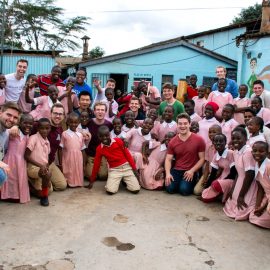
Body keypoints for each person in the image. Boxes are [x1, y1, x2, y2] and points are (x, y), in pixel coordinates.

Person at [88, 126, 140, 195]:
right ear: (98, 136)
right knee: (110, 191)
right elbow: (96, 164)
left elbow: (128, 155)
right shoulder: (99, 149)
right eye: (101, 136)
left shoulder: (118, 141)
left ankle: (124, 180)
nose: (104, 138)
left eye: (106, 135)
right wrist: (92, 180)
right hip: (114, 170)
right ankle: (119, 180)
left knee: (135, 190)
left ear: (109, 134)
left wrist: (134, 169)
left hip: (126, 167)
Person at [165, 113, 205, 196]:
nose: (182, 126)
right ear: (177, 125)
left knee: (184, 190)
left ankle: (191, 181)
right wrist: (168, 174)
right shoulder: (173, 141)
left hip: (190, 171)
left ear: (189, 124)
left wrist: (192, 171)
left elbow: (202, 159)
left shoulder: (199, 140)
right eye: (180, 124)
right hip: (177, 170)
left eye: (185, 123)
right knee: (169, 188)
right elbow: (168, 159)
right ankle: (180, 183)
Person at [223, 127, 257, 220]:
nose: (235, 141)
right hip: (240, 180)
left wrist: (241, 196)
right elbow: (238, 173)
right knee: (231, 201)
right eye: (233, 138)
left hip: (248, 183)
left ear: (246, 138)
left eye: (238, 138)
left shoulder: (248, 152)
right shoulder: (235, 151)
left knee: (241, 208)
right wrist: (233, 188)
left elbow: (250, 175)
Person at [1, 114, 34, 203]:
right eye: (25, 123)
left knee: (19, 179)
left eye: (30, 124)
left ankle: (18, 196)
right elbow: (6, 131)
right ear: (19, 123)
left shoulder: (27, 135)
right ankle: (8, 195)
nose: (28, 125)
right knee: (10, 179)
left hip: (21, 161)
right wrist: (14, 126)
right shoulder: (14, 132)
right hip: (10, 160)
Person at [25, 118, 52, 206]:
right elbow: (26, 156)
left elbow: (45, 157)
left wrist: (45, 166)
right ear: (38, 128)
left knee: (50, 190)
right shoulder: (33, 138)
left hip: (42, 168)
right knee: (47, 175)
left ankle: (32, 188)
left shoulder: (47, 140)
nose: (44, 130)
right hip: (32, 167)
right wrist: (41, 166)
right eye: (42, 128)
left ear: (50, 128)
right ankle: (44, 198)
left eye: (47, 128)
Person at [201, 133, 235, 203]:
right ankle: (219, 194)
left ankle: (222, 193)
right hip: (221, 179)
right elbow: (213, 174)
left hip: (231, 180)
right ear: (213, 143)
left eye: (221, 141)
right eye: (216, 141)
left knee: (216, 184)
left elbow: (233, 173)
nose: (218, 143)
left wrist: (221, 182)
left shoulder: (230, 153)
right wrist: (206, 188)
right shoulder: (216, 155)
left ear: (225, 142)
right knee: (205, 197)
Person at [85, 102, 113, 179]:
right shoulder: (89, 122)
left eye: (102, 110)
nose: (100, 112)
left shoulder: (109, 125)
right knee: (90, 176)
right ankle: (90, 167)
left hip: (103, 154)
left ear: (105, 112)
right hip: (91, 154)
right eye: (97, 110)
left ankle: (99, 169)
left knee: (103, 176)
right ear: (94, 111)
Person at [59, 113, 86, 187]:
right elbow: (60, 149)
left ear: (78, 123)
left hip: (78, 157)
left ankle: (77, 183)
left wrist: (84, 163)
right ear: (68, 122)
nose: (73, 124)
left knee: (77, 169)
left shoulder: (80, 135)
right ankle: (70, 183)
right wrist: (60, 162)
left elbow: (83, 149)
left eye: (75, 122)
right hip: (68, 157)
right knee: (69, 170)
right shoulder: (64, 134)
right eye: (71, 122)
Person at [193, 124, 222, 196]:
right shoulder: (208, 145)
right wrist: (205, 177)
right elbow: (207, 164)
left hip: (219, 174)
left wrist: (211, 179)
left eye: (214, 132)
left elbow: (222, 168)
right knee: (197, 191)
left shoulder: (223, 146)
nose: (211, 134)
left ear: (220, 133)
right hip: (209, 173)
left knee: (209, 191)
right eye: (210, 132)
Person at [249, 141, 270, 228]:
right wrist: (258, 207)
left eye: (261, 151)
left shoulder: (268, 166)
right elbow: (260, 188)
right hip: (267, 196)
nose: (257, 153)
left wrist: (263, 207)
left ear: (268, 153)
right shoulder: (257, 165)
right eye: (255, 150)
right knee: (253, 215)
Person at [0, 102, 21, 186]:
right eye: (9, 115)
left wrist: (16, 126)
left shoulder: (6, 132)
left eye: (15, 117)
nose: (12, 119)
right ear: (0, 112)